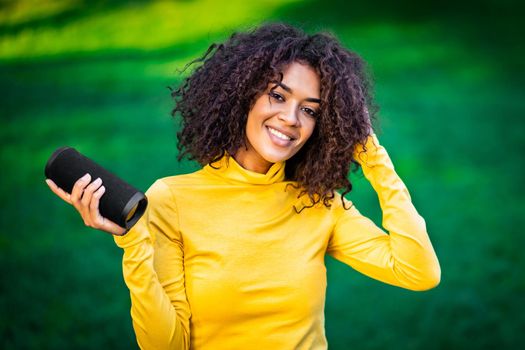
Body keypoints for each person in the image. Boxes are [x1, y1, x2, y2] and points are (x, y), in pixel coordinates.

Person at [45, 23, 440, 350]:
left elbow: (418, 271)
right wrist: (133, 243)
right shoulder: (172, 200)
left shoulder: (318, 203)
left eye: (309, 110)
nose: (290, 119)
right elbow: (166, 345)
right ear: (243, 95)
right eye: (277, 96)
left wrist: (372, 156)